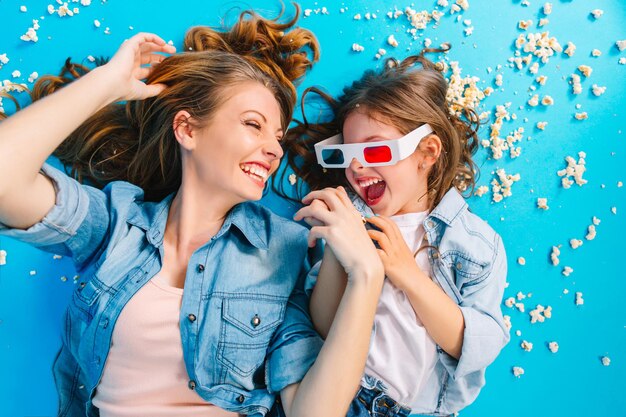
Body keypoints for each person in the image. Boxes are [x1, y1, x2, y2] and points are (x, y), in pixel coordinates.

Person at [0, 8, 385, 417]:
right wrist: (107, 83)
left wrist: (367, 277)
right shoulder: (115, 224)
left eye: (277, 136)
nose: (274, 149)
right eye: (253, 125)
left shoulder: (282, 250)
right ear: (187, 129)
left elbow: (313, 412)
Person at [284, 47, 510, 416]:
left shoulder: (475, 244)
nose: (356, 166)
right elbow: (322, 326)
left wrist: (405, 271)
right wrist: (339, 251)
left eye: (374, 152)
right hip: (340, 395)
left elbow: (475, 346)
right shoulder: (350, 218)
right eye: (345, 154)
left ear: (427, 152)